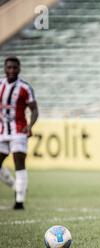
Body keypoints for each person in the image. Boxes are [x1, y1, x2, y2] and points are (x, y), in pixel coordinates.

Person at [0, 56, 39, 210]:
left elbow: (34, 109)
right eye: (9, 67)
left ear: (19, 69)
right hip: (2, 130)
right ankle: (15, 185)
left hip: (19, 131)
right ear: (4, 68)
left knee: (19, 163)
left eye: (14, 68)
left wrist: (30, 125)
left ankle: (19, 201)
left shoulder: (25, 88)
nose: (11, 70)